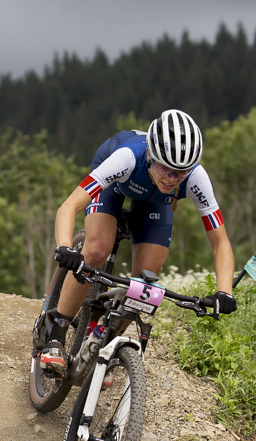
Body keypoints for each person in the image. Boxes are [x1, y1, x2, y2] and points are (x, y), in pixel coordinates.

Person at [40, 109, 237, 374]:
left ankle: (103, 346)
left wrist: (225, 291)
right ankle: (56, 334)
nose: (172, 179)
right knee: (97, 251)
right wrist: (64, 246)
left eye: (180, 173)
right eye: (166, 169)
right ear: (150, 156)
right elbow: (69, 206)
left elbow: (220, 243)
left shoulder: (195, 177)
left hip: (156, 203)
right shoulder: (126, 158)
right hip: (116, 185)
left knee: (145, 284)